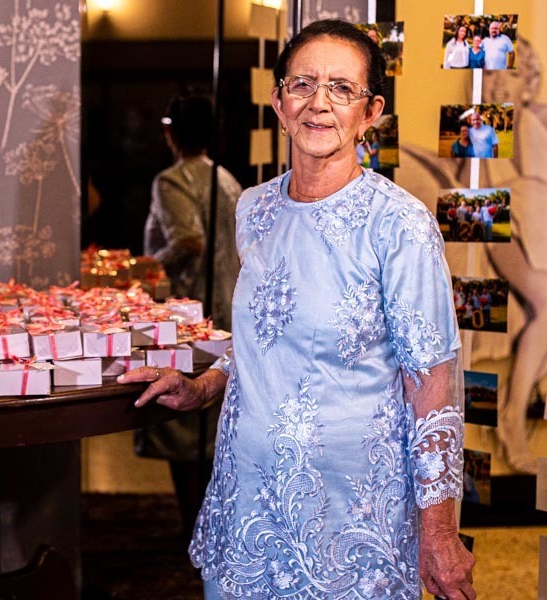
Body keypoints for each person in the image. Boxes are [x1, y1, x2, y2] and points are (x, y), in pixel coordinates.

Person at [121, 19, 475, 600]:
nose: (319, 103)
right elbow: (266, 340)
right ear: (279, 103)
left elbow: (433, 393)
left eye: (342, 88)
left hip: (351, 519)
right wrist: (202, 387)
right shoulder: (254, 210)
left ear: (370, 113)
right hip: (249, 500)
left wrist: (439, 534)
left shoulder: (400, 226)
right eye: (303, 84)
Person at [139, 93, 242, 541]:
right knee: (211, 437)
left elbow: (189, 241)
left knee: (185, 434)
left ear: (171, 133)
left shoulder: (172, 180)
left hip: (192, 318)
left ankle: (195, 536)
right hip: (229, 311)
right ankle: (211, 529)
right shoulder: (229, 180)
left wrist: (150, 272)